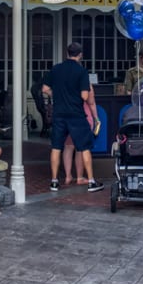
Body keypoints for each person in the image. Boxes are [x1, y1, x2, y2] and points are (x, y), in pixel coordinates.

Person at [42, 42, 104, 193]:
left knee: (57, 147)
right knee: (84, 147)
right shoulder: (81, 71)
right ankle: (90, 181)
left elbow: (45, 89)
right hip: (76, 114)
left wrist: (57, 95)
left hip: (59, 114)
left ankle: (54, 181)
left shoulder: (56, 69)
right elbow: (84, 95)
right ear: (80, 54)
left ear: (67, 53)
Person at [62, 84, 98, 185]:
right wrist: (96, 118)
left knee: (68, 147)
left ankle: (68, 176)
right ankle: (80, 177)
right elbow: (91, 103)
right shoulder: (85, 83)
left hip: (66, 117)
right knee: (80, 149)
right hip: (83, 118)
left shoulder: (64, 83)